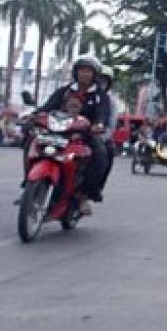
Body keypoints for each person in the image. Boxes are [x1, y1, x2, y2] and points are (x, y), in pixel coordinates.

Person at [35, 55, 110, 216]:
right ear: (76, 72)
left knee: (101, 153)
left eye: (88, 71)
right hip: (58, 132)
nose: (84, 74)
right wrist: (33, 116)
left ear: (94, 74)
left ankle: (84, 195)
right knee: (32, 143)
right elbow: (48, 106)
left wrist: (99, 124)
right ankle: (30, 182)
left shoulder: (100, 95)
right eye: (81, 70)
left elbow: (103, 113)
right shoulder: (65, 91)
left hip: (85, 135)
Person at [96, 65, 118, 194]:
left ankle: (94, 189)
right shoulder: (72, 92)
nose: (100, 84)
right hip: (69, 132)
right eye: (97, 80)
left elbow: (111, 124)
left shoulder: (109, 101)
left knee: (107, 152)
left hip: (95, 135)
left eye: (103, 81)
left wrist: (103, 136)